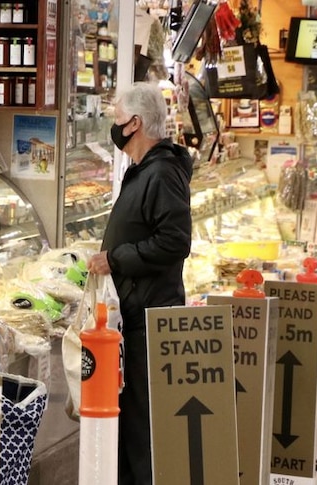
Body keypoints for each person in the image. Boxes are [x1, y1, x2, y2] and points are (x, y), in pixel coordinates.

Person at [87, 82, 193, 485]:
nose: (113, 127)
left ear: (134, 123)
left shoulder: (162, 172)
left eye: (116, 118)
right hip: (134, 314)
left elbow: (175, 241)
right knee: (131, 425)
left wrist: (115, 259)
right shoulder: (144, 170)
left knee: (143, 428)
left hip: (149, 319)